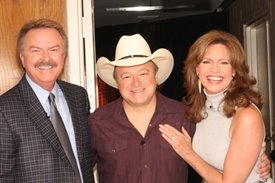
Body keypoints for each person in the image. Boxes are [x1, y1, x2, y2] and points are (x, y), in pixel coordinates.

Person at [159, 30, 272, 182]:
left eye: (224, 63)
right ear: (197, 69)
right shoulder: (201, 109)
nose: (214, 70)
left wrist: (188, 153)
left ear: (234, 71)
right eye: (207, 62)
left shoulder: (246, 116)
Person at [88, 34, 196, 183]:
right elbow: (78, 171)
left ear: (156, 76)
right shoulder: (98, 122)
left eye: (143, 73)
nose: (136, 83)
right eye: (126, 76)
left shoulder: (183, 116)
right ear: (116, 82)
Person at [0, 19, 94, 182]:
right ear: (22, 57)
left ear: (63, 56)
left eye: (53, 49)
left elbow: (87, 157)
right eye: (36, 50)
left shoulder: (78, 97)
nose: (46, 58)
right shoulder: (4, 109)